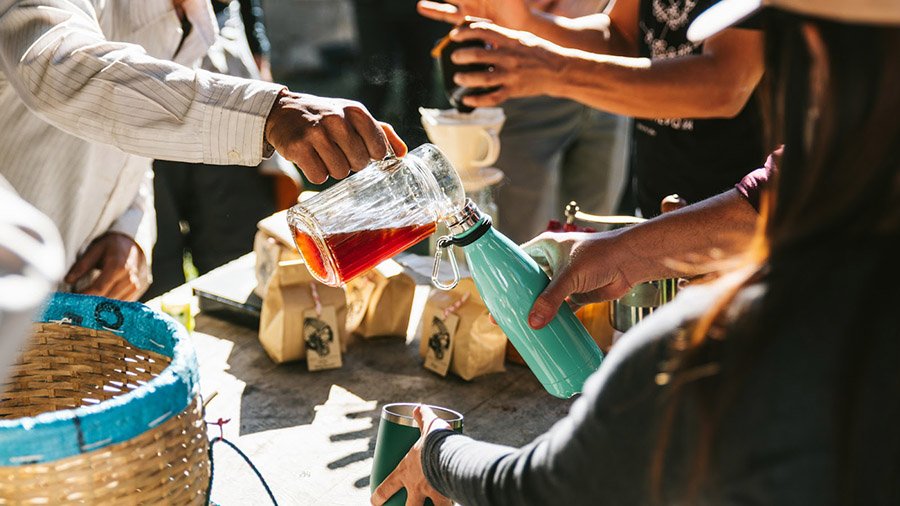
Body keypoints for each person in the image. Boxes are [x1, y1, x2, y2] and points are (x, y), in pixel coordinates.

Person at [372, 1, 900, 504]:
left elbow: (551, 485)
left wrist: (438, 453)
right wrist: (625, 251)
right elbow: (775, 194)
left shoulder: (735, 340)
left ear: (813, 51)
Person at [0, 0, 405, 301]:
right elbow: (58, 68)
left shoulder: (193, 15)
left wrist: (129, 229)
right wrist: (269, 114)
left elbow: (129, 125)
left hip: (68, 316)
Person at [418, 0, 767, 218]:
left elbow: (725, 86)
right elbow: (622, 35)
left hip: (747, 217)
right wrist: (527, 22)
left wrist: (554, 70)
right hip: (663, 208)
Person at [145, 0, 286, 300]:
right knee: (153, 262)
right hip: (135, 70)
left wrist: (259, 49)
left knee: (237, 251)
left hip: (219, 52)